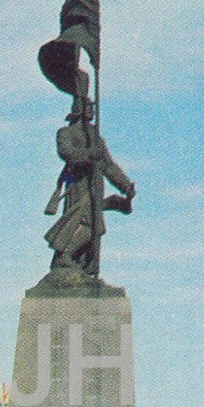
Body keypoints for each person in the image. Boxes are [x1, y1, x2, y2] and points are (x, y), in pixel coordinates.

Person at [44, 95, 136, 277]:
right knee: (88, 223)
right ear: (78, 109)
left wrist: (125, 186)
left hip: (95, 184)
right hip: (77, 184)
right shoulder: (66, 132)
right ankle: (65, 255)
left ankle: (76, 261)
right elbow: (66, 152)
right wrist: (88, 154)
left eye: (93, 107)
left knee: (93, 224)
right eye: (88, 107)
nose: (92, 110)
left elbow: (108, 165)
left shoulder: (95, 136)